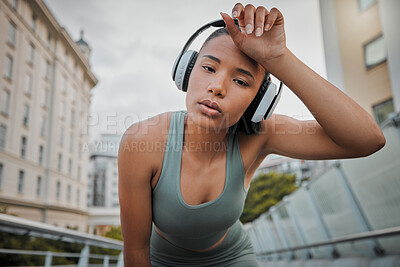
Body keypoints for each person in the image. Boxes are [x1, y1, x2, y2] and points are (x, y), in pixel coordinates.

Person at [118, 3, 386, 266]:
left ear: (259, 103)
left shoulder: (261, 135)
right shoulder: (142, 141)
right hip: (159, 259)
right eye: (209, 68)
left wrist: (279, 58)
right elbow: (136, 249)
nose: (217, 87)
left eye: (241, 81)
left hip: (231, 257)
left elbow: (368, 139)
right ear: (186, 71)